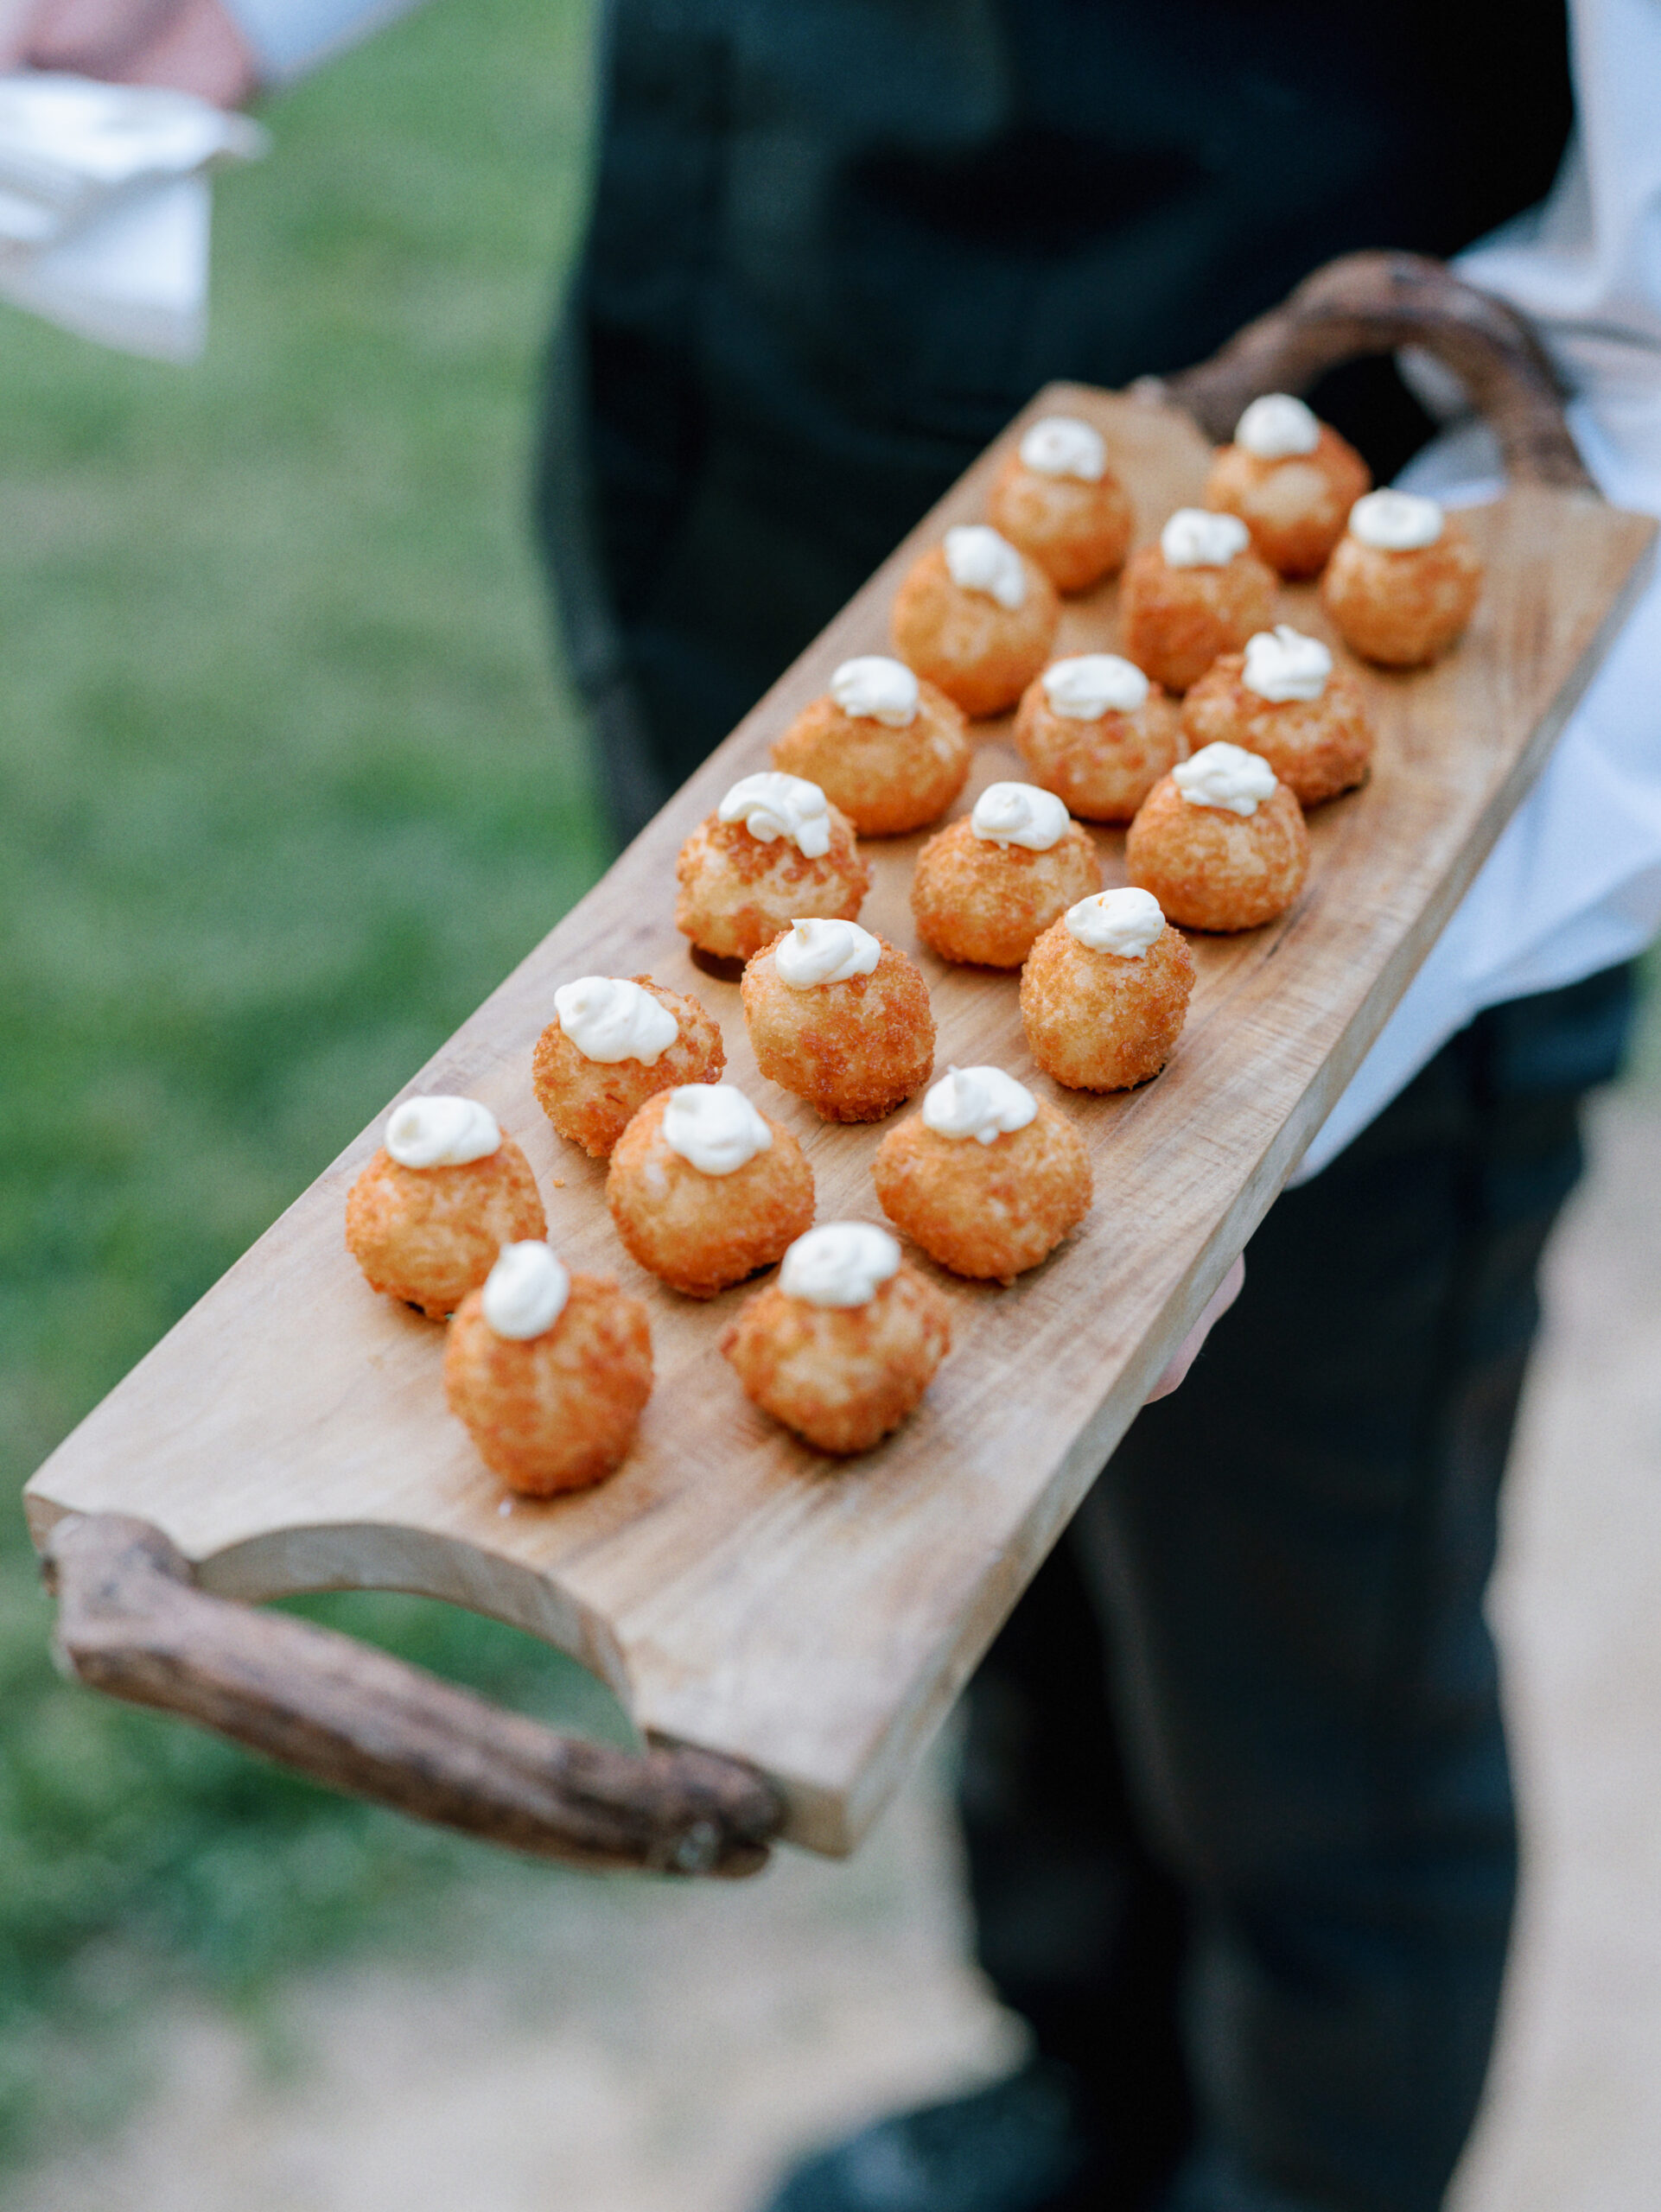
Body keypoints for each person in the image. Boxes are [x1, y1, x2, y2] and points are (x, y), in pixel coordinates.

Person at [10, 3, 1660, 2207]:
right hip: (751, 451)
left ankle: (1290, 2165)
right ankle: (1077, 2087)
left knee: (1297, 1673)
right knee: (956, 1582)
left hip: (1334, 637)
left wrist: (1313, 1015)